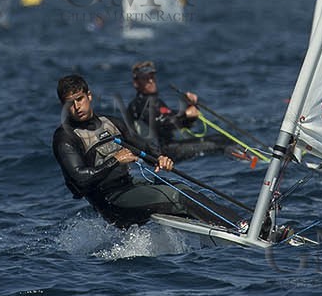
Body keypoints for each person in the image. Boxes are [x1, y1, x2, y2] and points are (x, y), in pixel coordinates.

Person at [52, 73, 241, 231]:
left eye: (79, 99)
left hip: (129, 186)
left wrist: (159, 158)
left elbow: (144, 146)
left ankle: (238, 224)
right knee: (179, 198)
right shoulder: (65, 137)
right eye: (70, 103)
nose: (76, 107)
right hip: (111, 201)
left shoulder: (111, 123)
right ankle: (238, 229)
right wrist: (115, 160)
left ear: (89, 96)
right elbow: (80, 178)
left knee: (183, 189)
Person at [126, 60, 226, 161]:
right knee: (218, 144)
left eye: (152, 77)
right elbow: (162, 124)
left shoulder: (157, 103)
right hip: (160, 153)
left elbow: (181, 124)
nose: (151, 81)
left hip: (171, 147)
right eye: (146, 79)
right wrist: (185, 114)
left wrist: (191, 107)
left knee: (220, 138)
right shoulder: (138, 105)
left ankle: (236, 155)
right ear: (136, 83)